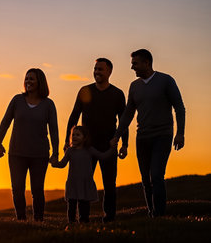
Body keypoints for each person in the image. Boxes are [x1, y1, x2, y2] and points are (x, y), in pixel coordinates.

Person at [112, 49, 186, 217]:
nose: (132, 68)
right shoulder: (134, 86)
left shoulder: (166, 81)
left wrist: (180, 133)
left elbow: (179, 107)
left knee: (157, 175)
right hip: (142, 137)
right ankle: (151, 213)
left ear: (147, 63)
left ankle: (159, 215)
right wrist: (117, 136)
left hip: (163, 135)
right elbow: (128, 114)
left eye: (135, 64)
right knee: (146, 179)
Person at [64, 58, 128, 222]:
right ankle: (82, 218)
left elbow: (123, 121)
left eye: (100, 69)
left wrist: (124, 144)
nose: (97, 72)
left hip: (108, 146)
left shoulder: (117, 94)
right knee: (83, 181)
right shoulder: (85, 90)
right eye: (95, 69)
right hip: (86, 147)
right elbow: (74, 116)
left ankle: (109, 217)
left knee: (109, 184)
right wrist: (67, 141)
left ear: (109, 72)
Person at [0, 68, 59, 221]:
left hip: (40, 154)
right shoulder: (17, 100)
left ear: (40, 82)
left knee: (37, 189)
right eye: (26, 79)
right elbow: (5, 122)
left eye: (32, 79)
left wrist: (56, 152)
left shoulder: (48, 104)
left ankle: (38, 220)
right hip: (17, 153)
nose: (28, 82)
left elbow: (54, 130)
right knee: (17, 189)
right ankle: (21, 219)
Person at [51, 126, 116, 223]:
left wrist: (112, 148)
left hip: (85, 183)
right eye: (73, 135)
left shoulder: (89, 150)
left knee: (84, 205)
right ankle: (71, 223)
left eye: (78, 135)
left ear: (84, 138)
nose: (74, 137)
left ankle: (84, 222)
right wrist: (54, 163)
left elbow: (103, 156)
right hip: (73, 183)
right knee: (71, 205)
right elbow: (62, 164)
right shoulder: (70, 151)